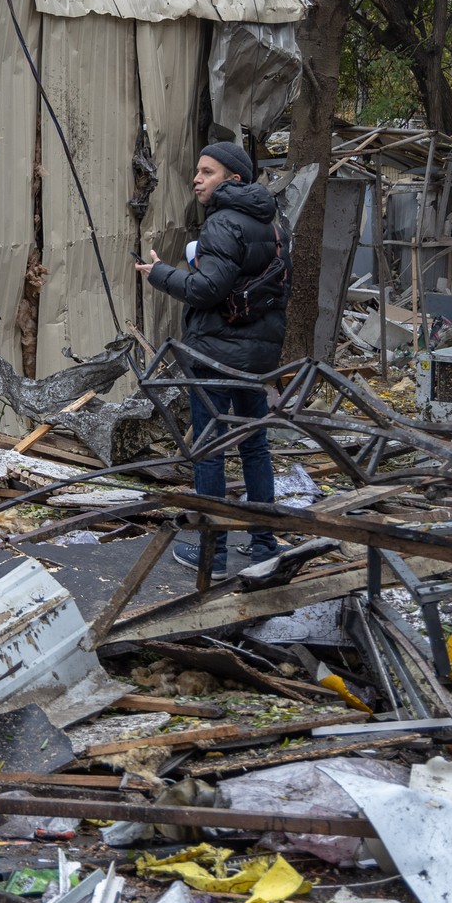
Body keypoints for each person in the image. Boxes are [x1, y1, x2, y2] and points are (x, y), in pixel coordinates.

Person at [136, 137, 288, 575]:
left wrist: (160, 274)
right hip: (255, 359)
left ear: (233, 179)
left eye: (207, 172)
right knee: (255, 447)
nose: (196, 179)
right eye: (197, 171)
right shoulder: (273, 226)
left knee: (209, 450)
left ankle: (213, 553)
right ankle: (264, 545)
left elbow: (207, 289)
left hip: (217, 356)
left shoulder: (223, 223)